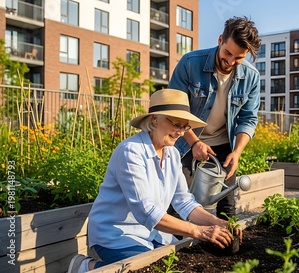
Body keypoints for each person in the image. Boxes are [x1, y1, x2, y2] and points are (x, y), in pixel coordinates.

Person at [67, 89, 241, 273]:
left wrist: (216, 222)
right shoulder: (131, 152)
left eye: (185, 127)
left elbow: (184, 202)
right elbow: (146, 212)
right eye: (177, 124)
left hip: (154, 234)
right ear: (154, 120)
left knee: (180, 266)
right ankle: (86, 267)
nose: (181, 132)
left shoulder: (172, 154)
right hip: (117, 234)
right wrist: (198, 231)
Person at [168, 16, 262, 219]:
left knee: (226, 209)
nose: (230, 61)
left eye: (238, 58)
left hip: (223, 146)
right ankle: (173, 249)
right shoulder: (190, 63)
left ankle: (223, 246)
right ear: (220, 40)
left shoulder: (251, 77)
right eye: (227, 53)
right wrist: (195, 143)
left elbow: (248, 119)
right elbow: (175, 110)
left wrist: (236, 152)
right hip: (185, 142)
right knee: (177, 203)